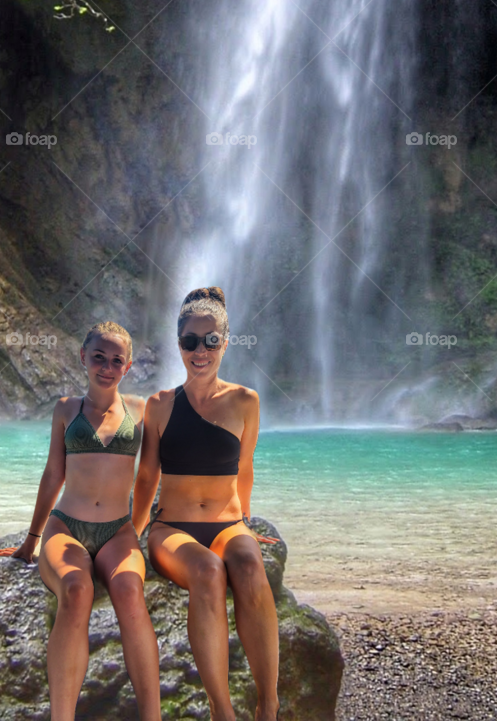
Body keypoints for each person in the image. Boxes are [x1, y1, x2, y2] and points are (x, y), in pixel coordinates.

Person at [0, 322, 160, 721]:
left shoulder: (142, 410)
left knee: (129, 591)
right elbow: (54, 474)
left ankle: (152, 717)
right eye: (99, 357)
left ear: (129, 365)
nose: (107, 366)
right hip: (66, 525)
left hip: (117, 530)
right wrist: (31, 540)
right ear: (83, 357)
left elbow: (149, 475)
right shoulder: (66, 409)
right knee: (75, 589)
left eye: (116, 360)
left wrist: (134, 531)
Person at [132, 287, 279, 721]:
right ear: (179, 345)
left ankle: (268, 703)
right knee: (208, 572)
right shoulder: (158, 406)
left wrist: (247, 523)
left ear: (225, 342)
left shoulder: (245, 401)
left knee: (250, 565)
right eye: (190, 341)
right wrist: (131, 533)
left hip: (228, 523)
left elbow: (245, 469)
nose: (200, 350)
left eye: (210, 340)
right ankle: (222, 710)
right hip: (171, 529)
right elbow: (146, 477)